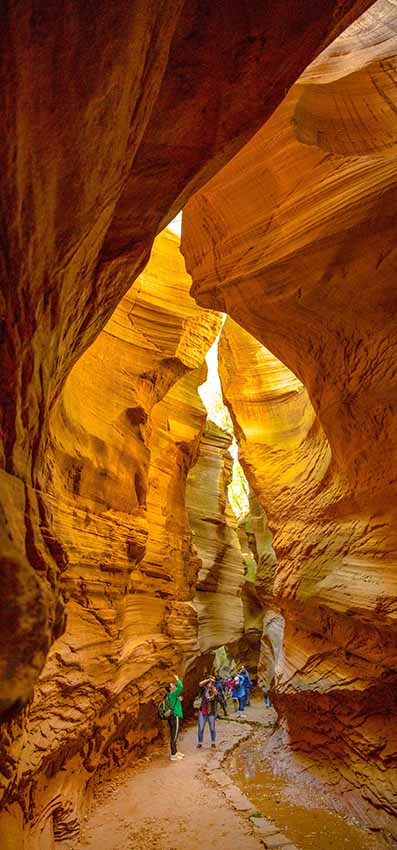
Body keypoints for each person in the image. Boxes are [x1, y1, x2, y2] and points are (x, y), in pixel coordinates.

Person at [165, 673, 184, 761]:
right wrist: (177, 678)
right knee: (174, 736)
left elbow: (174, 703)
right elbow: (181, 687)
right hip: (174, 717)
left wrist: (178, 700)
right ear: (170, 688)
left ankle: (176, 752)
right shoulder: (172, 694)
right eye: (173, 685)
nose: (175, 686)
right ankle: (173, 755)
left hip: (173, 717)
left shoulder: (171, 695)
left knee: (174, 735)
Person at [197, 677, 218, 748]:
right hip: (202, 710)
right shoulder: (204, 689)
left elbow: (216, 693)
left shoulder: (214, 689)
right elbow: (200, 684)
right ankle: (200, 742)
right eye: (209, 682)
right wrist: (208, 680)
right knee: (201, 727)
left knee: (212, 728)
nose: (210, 683)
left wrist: (212, 686)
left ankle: (213, 742)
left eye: (212, 682)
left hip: (211, 712)